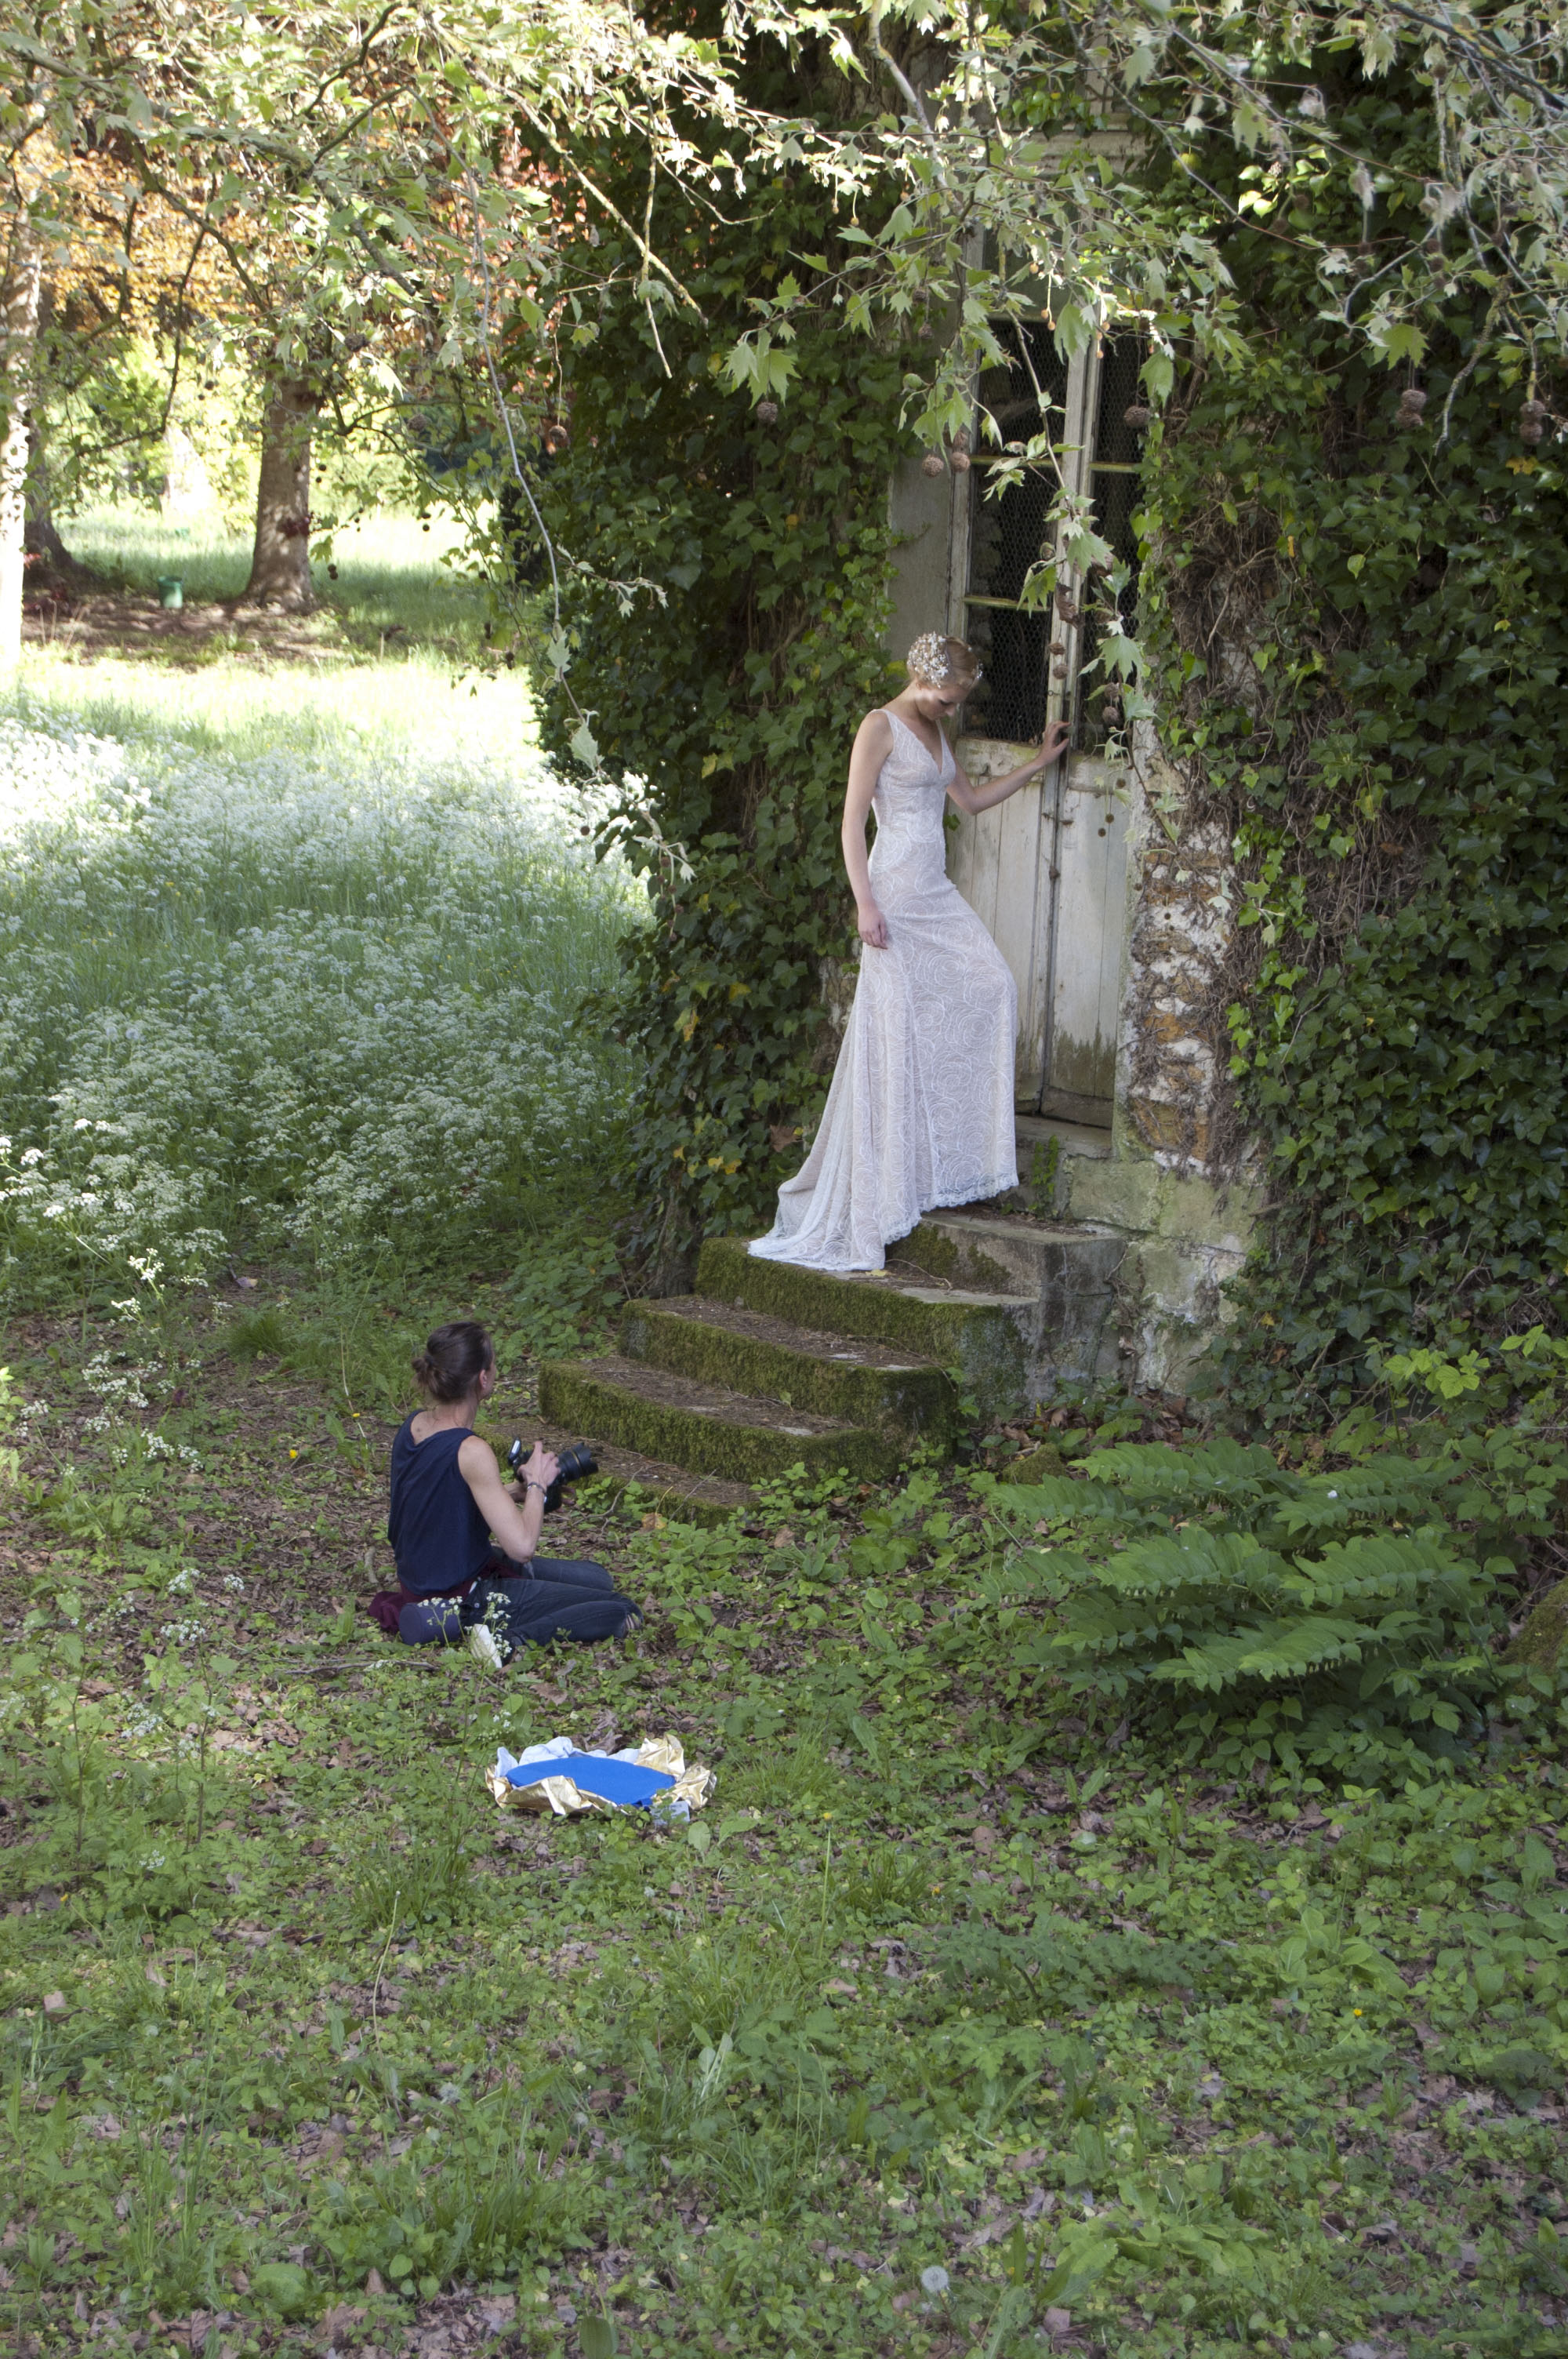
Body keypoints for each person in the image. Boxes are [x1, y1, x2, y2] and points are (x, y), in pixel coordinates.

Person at [750, 631, 1072, 1272]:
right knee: (894, 1029)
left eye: (958, 702)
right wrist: (864, 903)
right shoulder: (880, 726)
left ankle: (941, 1161)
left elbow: (970, 801)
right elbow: (851, 822)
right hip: (893, 894)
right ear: (922, 680)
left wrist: (1038, 762)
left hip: (934, 891)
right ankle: (894, 1186)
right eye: (947, 699)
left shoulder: (935, 728)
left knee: (993, 984)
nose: (952, 710)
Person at [369, 1320, 638, 1661]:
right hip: (466, 1593)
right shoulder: (471, 1450)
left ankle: (464, 1616)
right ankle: (509, 1641)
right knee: (620, 1607)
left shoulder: (414, 1425)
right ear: (483, 1378)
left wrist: (513, 1491)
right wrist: (537, 1483)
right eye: (495, 1364)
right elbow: (522, 1548)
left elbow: (438, 1501)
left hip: (427, 1578)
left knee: (598, 1579)